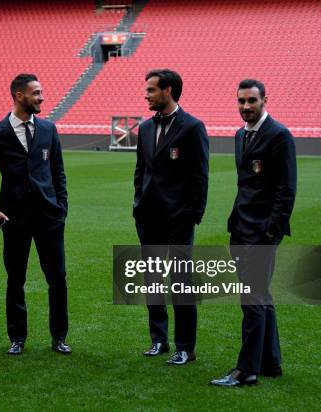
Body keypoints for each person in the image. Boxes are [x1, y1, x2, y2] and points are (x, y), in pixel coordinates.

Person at [211, 79, 296, 387]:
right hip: (241, 229)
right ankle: (270, 362)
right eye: (241, 101)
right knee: (261, 297)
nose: (245, 107)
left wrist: (270, 232)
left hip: (261, 234)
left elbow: (287, 190)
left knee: (252, 299)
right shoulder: (240, 136)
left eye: (251, 101)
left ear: (264, 100)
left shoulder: (279, 135)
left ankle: (246, 370)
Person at [0, 73, 70, 355]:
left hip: (48, 215)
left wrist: (61, 208)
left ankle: (59, 337)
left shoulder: (48, 129)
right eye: (36, 93)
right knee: (15, 279)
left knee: (57, 278)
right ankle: (17, 337)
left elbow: (58, 172)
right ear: (19, 96)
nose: (41, 97)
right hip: (14, 218)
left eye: (41, 92)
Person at [133, 69, 209, 365]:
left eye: (151, 89)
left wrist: (192, 214)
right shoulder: (146, 128)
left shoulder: (192, 127)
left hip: (178, 219)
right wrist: (138, 202)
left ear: (168, 91)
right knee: (152, 280)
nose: (146, 94)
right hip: (148, 217)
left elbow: (200, 175)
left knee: (181, 282)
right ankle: (158, 340)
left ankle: (185, 347)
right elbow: (141, 170)